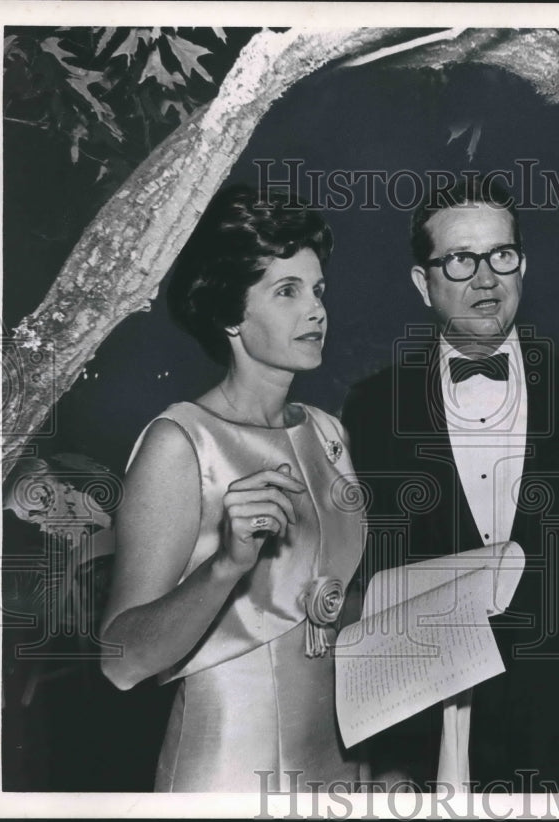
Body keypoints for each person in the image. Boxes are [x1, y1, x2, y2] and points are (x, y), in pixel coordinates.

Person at [342, 177, 559, 792]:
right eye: (460, 259)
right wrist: (391, 760)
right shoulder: (372, 410)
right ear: (421, 282)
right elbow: (371, 584)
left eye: (501, 256)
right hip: (434, 748)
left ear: (522, 265)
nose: (486, 278)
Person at [99, 185, 365, 792]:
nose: (317, 310)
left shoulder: (328, 433)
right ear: (229, 315)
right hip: (227, 773)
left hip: (338, 767)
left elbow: (322, 605)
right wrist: (225, 566)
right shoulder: (181, 442)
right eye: (287, 291)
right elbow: (120, 663)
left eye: (317, 289)